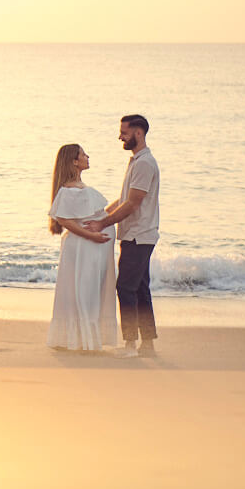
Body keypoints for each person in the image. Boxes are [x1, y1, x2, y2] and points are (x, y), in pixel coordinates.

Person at [83, 115, 160, 358]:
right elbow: (125, 199)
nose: (120, 137)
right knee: (139, 288)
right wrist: (101, 213)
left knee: (125, 287)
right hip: (136, 234)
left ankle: (130, 344)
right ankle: (147, 344)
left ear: (138, 133)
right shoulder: (136, 161)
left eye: (124, 133)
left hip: (140, 234)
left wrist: (103, 223)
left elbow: (133, 204)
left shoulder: (144, 163)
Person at [45, 144, 118, 352]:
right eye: (83, 154)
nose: (88, 156)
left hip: (91, 247)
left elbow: (99, 213)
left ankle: (84, 339)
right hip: (84, 247)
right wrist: (92, 236)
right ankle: (79, 340)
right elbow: (65, 220)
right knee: (82, 291)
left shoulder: (80, 188)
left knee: (89, 291)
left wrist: (124, 201)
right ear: (74, 161)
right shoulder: (68, 190)